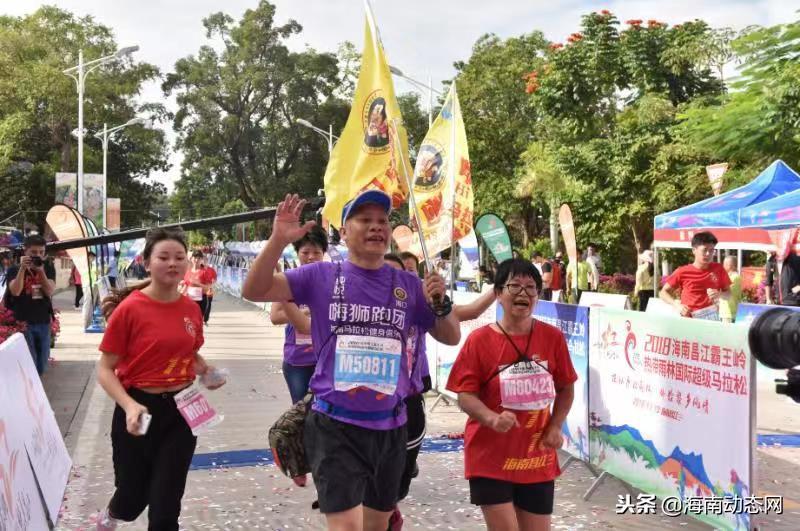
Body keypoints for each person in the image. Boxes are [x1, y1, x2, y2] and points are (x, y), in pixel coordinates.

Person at [242, 192, 460, 531]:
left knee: (377, 524)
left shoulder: (409, 284)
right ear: (344, 233)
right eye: (365, 220)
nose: (376, 227)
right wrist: (277, 240)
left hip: (390, 427)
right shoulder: (320, 275)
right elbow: (254, 290)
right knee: (346, 526)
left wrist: (440, 303)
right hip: (335, 426)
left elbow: (449, 336)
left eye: (382, 221)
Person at [94, 227, 224, 531]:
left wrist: (206, 372)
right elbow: (104, 369)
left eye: (179, 257)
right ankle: (112, 515)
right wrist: (128, 405)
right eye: (163, 257)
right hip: (138, 409)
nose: (173, 263)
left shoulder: (191, 309)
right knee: (132, 499)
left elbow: (189, 353)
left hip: (181, 410)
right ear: (147, 262)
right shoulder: (130, 310)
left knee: (166, 504)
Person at [446, 258, 577, 531]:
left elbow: (566, 387)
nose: (523, 294)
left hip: (537, 457)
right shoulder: (479, 340)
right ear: (497, 294)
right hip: (490, 458)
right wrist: (491, 419)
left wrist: (555, 425)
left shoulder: (552, 338)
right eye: (514, 286)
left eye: (531, 288)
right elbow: (465, 395)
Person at [384, 252, 497, 529]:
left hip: (408, 402)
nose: (399, 279)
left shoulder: (422, 307)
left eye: (409, 273)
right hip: (364, 412)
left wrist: (442, 303)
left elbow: (456, 329)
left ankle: (392, 502)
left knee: (395, 482)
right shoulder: (356, 303)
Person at [270, 226, 327, 404]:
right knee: (301, 411)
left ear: (324, 253)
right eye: (305, 252)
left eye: (316, 252)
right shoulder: (288, 280)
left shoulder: (333, 281)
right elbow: (275, 317)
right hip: (297, 361)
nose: (311, 257)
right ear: (297, 253)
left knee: (325, 411)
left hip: (326, 359)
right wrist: (303, 312)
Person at [4, 235, 56, 375]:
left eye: (41, 252)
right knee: (29, 363)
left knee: (42, 363)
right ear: (25, 252)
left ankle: (35, 390)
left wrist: (40, 271)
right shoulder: (14, 270)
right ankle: (32, 393)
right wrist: (22, 269)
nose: (37, 255)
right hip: (23, 322)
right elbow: (15, 291)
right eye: (33, 252)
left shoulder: (48, 268)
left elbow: (50, 290)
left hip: (43, 322)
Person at [659, 231, 731, 319]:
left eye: (711, 250)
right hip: (689, 320)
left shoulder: (719, 269)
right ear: (694, 250)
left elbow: (729, 294)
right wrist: (677, 305)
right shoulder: (682, 271)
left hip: (712, 320)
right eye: (704, 250)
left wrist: (719, 294)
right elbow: (663, 293)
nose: (708, 254)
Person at [181, 250, 212, 316]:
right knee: (189, 322)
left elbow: (208, 288)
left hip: (201, 301)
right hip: (189, 301)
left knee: (198, 322)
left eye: (199, 258)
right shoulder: (188, 272)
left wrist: (197, 284)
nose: (196, 260)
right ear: (191, 259)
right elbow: (185, 287)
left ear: (201, 260)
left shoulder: (204, 272)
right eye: (195, 258)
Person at [719, 256, 742, 323]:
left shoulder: (735, 277)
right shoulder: (727, 276)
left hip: (730, 312)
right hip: (724, 312)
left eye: (726, 263)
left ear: (733, 265)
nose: (724, 265)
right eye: (724, 263)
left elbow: (725, 291)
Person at [202, 258, 217, 325]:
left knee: (208, 304)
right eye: (203, 261)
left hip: (209, 289)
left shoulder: (211, 270)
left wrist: (212, 284)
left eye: (205, 261)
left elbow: (215, 279)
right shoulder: (199, 269)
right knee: (201, 304)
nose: (204, 262)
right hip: (200, 290)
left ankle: (205, 319)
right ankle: (200, 317)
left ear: (207, 261)